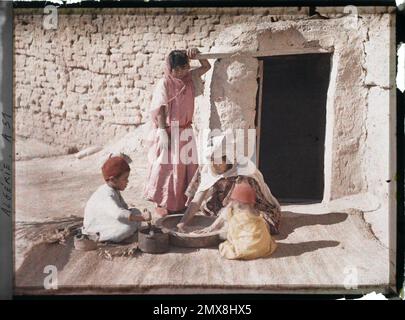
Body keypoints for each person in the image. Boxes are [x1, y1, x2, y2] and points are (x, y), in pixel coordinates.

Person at [143, 48, 211, 216]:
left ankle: (180, 203)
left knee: (185, 168)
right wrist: (162, 131)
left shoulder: (190, 78)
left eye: (184, 68)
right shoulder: (165, 83)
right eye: (177, 69)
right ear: (170, 68)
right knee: (167, 168)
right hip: (169, 131)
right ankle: (164, 203)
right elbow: (161, 108)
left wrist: (197, 54)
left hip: (185, 130)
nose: (181, 72)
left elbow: (206, 66)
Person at [177, 135, 281, 235]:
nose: (214, 164)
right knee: (215, 214)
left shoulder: (243, 171)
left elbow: (235, 204)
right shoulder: (207, 167)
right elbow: (197, 200)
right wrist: (182, 223)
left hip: (250, 206)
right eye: (212, 160)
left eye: (218, 161)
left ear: (228, 159)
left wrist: (212, 228)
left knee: (248, 227)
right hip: (224, 204)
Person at [194, 180, 278, 260]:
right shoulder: (257, 214)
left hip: (245, 250)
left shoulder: (235, 218)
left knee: (225, 247)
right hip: (262, 247)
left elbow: (231, 235)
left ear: (235, 201)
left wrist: (213, 229)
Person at [83, 155, 151, 243]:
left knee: (135, 211)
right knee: (128, 228)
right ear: (113, 180)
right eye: (125, 178)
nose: (127, 181)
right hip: (94, 228)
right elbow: (118, 214)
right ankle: (104, 239)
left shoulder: (114, 190)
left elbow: (124, 208)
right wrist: (141, 218)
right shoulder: (107, 194)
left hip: (106, 219)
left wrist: (137, 216)